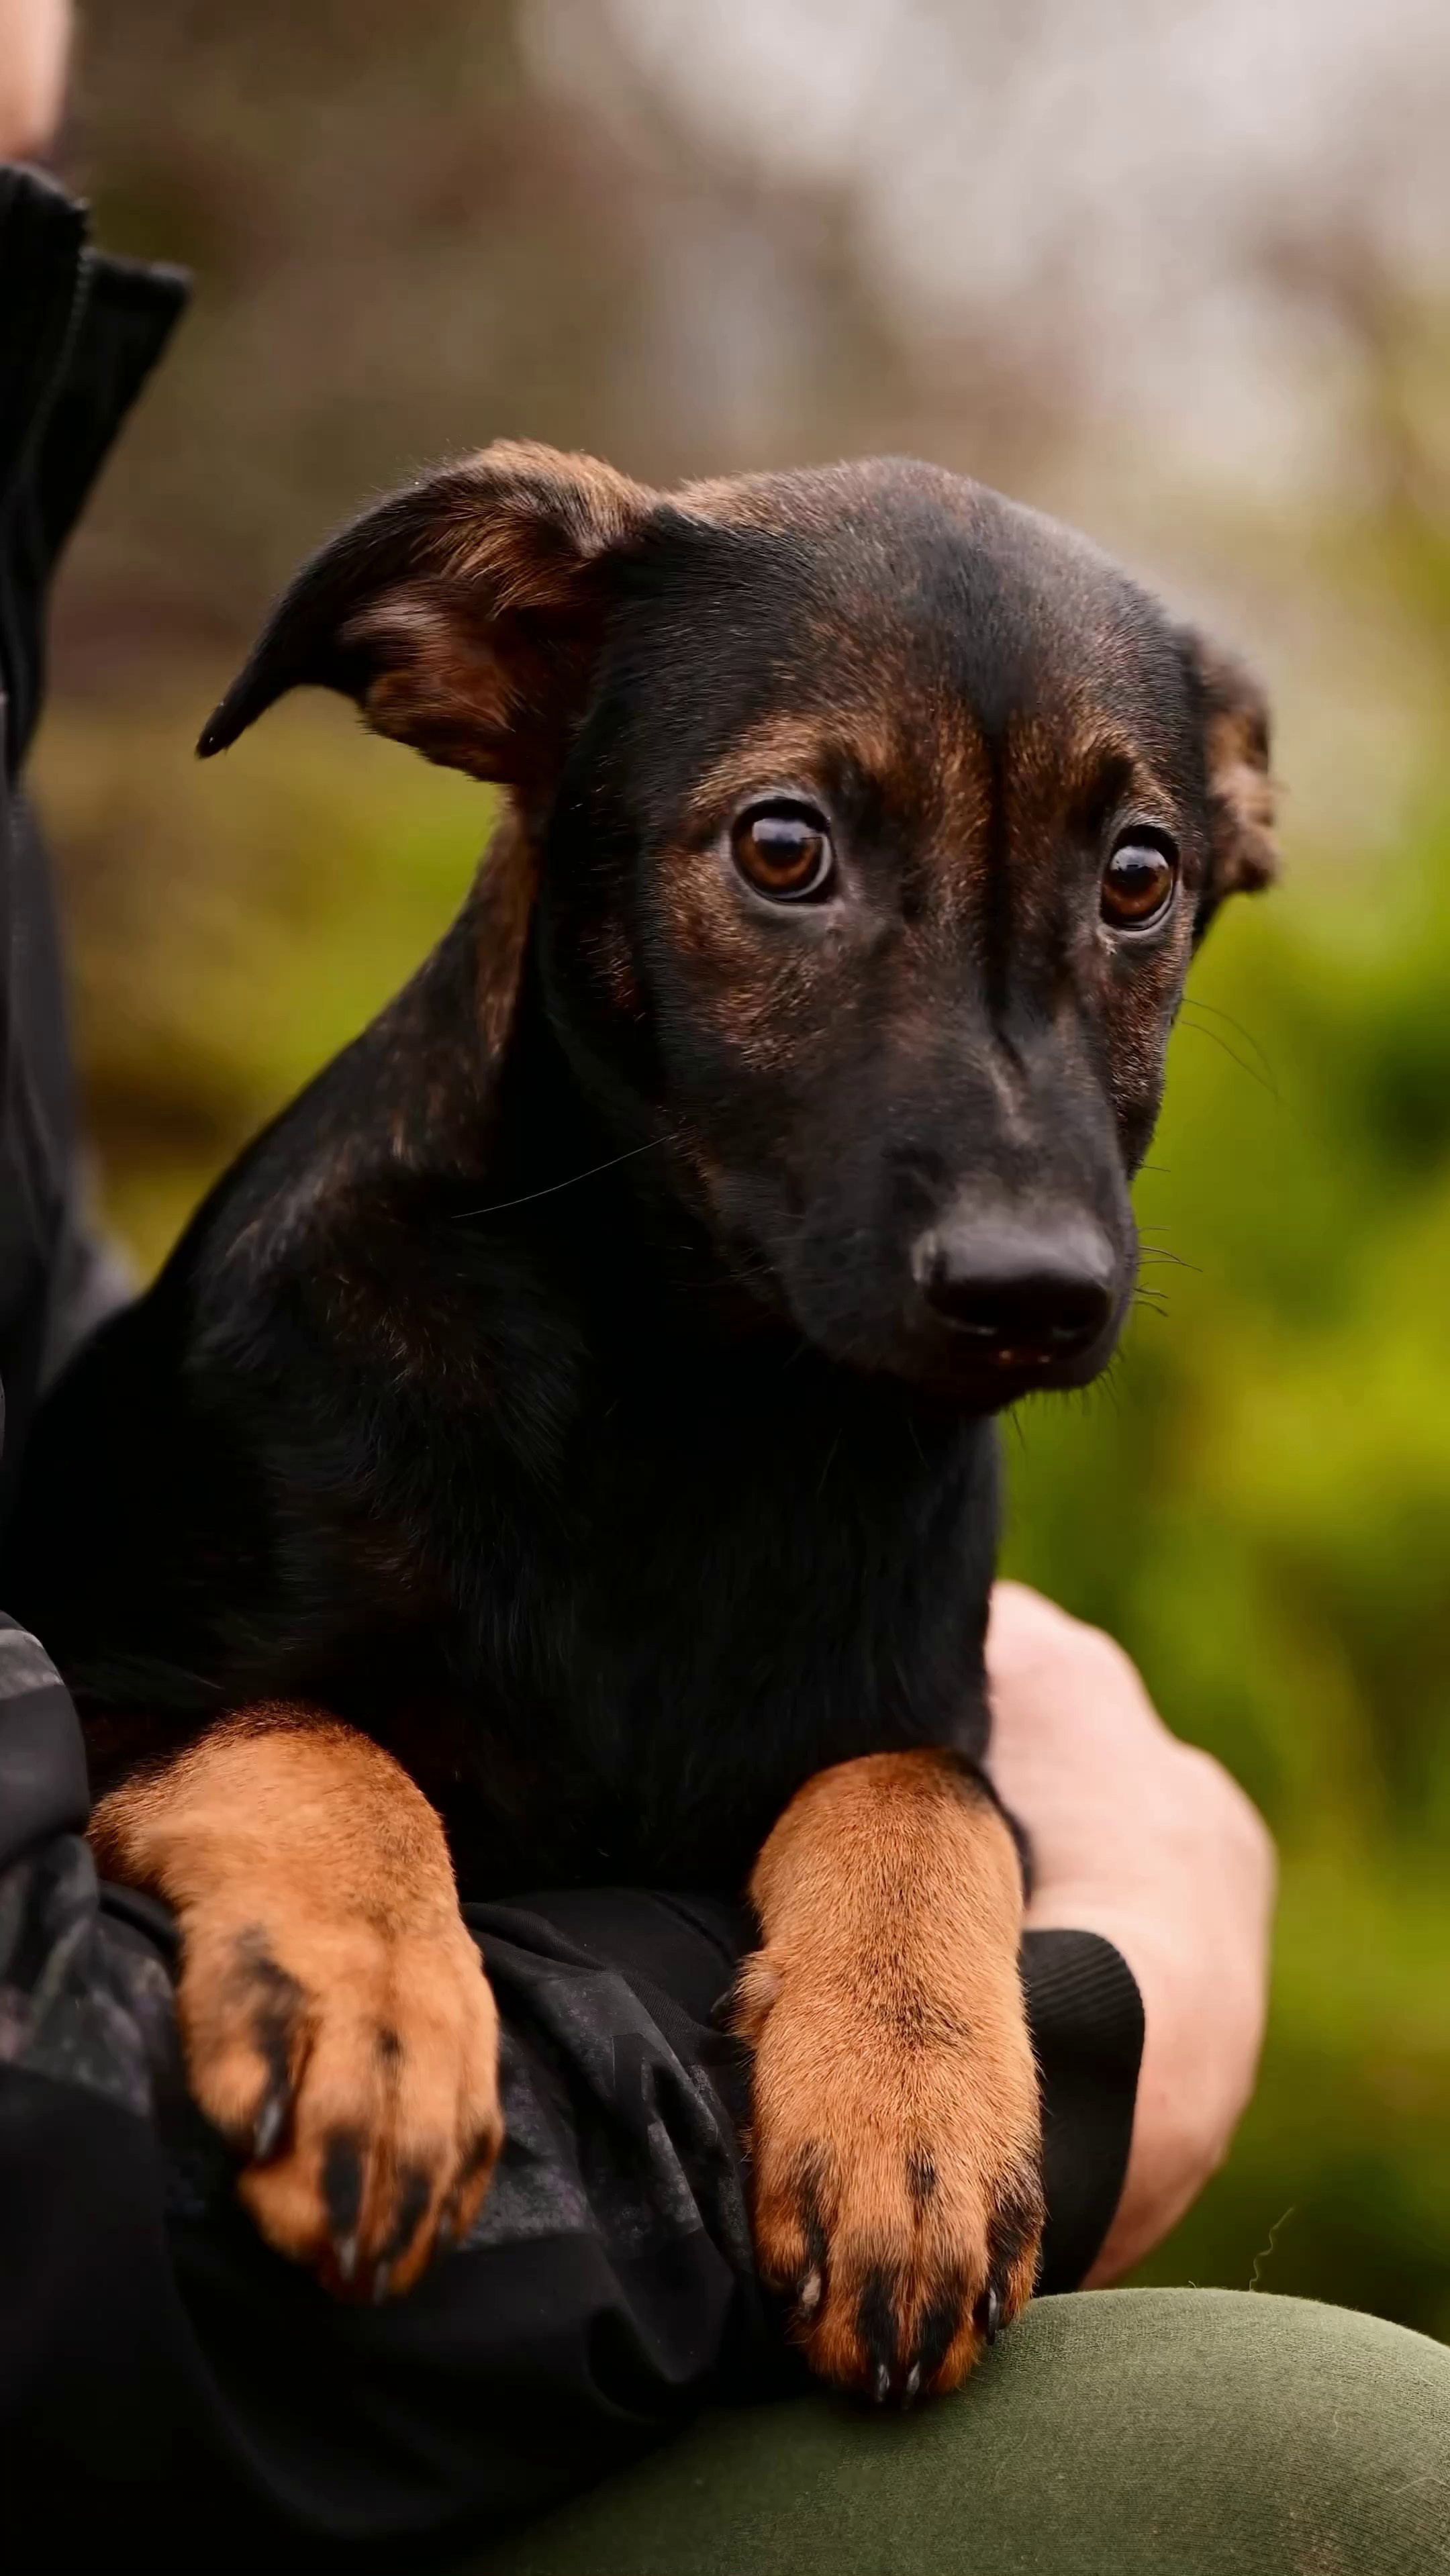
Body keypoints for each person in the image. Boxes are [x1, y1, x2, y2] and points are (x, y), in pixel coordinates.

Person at [1, 9, 1446, 2569]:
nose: (1015, 1180)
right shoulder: (312, 1362)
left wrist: (934, 1869)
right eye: (793, 858)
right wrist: (302, 1807)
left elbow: (872, 1743)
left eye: (1129, 899)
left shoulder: (886, 1393)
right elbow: (92, 1699)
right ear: (496, 671)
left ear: (1225, 835)